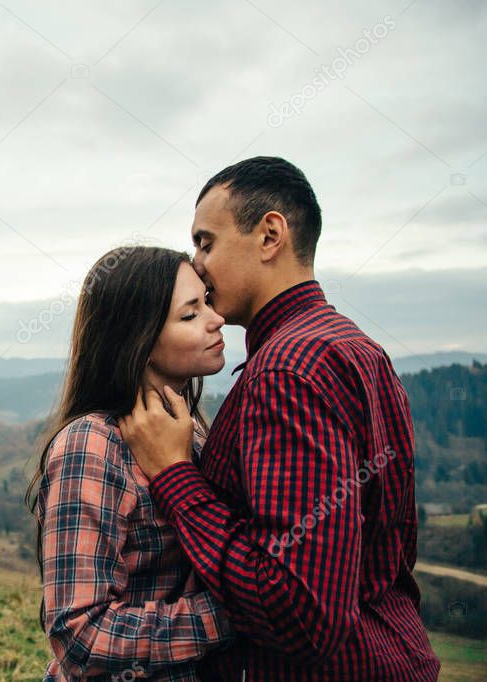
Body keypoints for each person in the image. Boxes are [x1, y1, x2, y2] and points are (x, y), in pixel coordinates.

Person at [118, 157, 441, 681]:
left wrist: (177, 479)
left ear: (270, 235)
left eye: (206, 243)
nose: (197, 264)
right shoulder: (356, 348)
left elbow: (301, 614)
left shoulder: (288, 371)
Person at [28, 245, 234, 681]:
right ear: (138, 336)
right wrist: (236, 612)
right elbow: (79, 635)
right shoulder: (92, 445)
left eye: (208, 302)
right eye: (190, 314)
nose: (216, 319)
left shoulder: (192, 429)